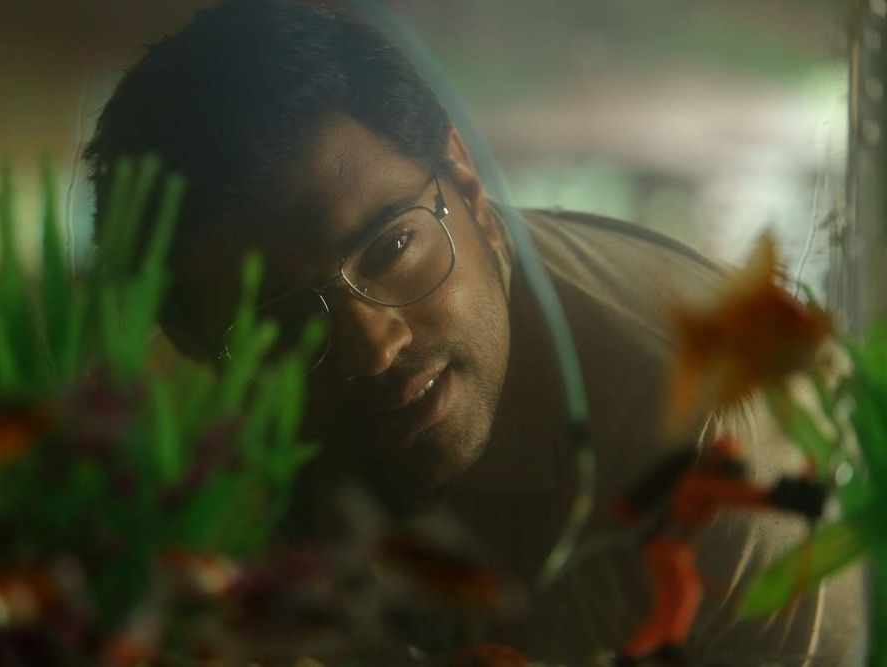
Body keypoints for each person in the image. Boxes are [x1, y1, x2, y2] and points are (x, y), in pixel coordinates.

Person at [82, 1, 863, 663]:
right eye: (281, 320)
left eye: (391, 247)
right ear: (195, 346)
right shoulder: (150, 466)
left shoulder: (716, 432)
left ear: (467, 183)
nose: (374, 345)